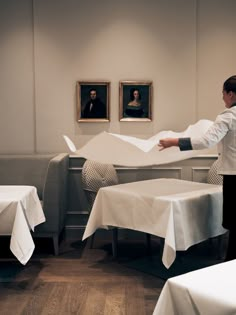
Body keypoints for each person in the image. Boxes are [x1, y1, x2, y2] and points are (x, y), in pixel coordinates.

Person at [158, 75, 236, 261]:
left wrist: (174, 142)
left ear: (231, 94)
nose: (222, 98)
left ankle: (229, 267)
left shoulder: (229, 116)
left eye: (223, 93)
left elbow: (206, 141)